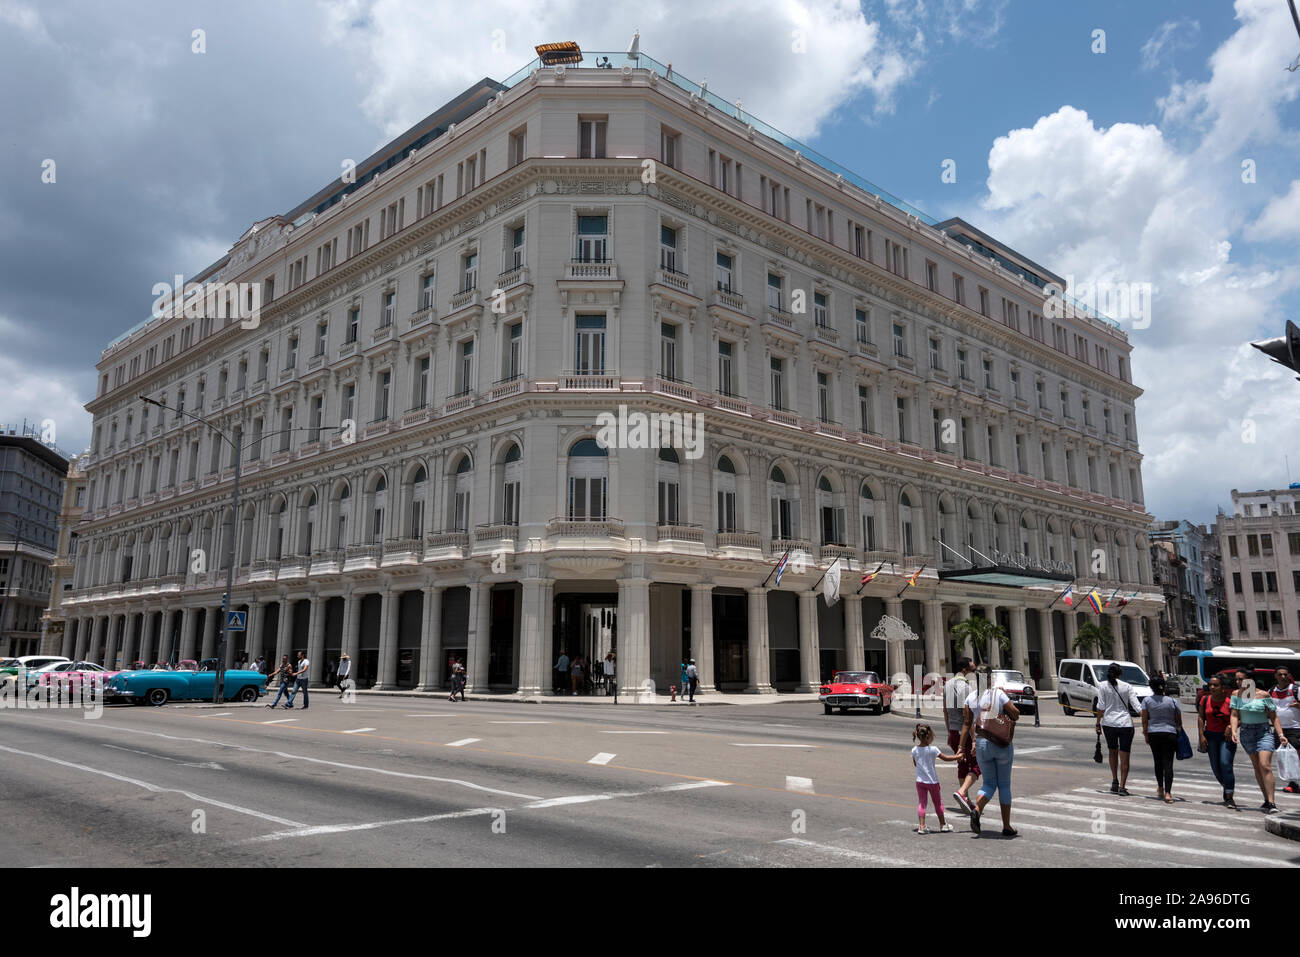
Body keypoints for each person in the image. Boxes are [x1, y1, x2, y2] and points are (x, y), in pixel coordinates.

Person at [960, 671, 1020, 836]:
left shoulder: (970, 698)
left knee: (988, 783)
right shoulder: (998, 693)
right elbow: (1015, 713)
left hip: (981, 744)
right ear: (988, 679)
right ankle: (1007, 826)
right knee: (1004, 785)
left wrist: (962, 746)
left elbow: (966, 723)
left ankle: (977, 810)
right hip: (1000, 744)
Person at [1230, 668, 1285, 813]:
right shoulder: (1236, 695)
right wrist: (1234, 731)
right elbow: (1234, 715)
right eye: (1236, 679)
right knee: (1257, 767)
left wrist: (1280, 734)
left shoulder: (1263, 694)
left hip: (1264, 731)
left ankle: (1272, 803)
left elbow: (1274, 717)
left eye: (1241, 679)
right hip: (1247, 732)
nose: (1238, 682)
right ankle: (1266, 800)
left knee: (1265, 765)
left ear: (1250, 680)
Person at [1094, 662, 1141, 796]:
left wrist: (1098, 723)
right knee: (1124, 756)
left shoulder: (1102, 686)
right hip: (1125, 724)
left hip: (1109, 723)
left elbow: (1101, 707)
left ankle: (1114, 780)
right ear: (1120, 674)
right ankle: (1122, 786)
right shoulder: (1127, 687)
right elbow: (1137, 707)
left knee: (1112, 752)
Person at [944, 657, 980, 814]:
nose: (974, 665)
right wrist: (974, 739)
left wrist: (948, 732)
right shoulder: (966, 688)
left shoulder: (947, 684)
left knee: (962, 764)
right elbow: (968, 718)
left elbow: (945, 711)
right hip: (963, 733)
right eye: (971, 664)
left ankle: (965, 799)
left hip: (953, 731)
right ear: (965, 670)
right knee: (978, 765)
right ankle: (962, 793)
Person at [1139, 676, 1183, 803]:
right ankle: (1168, 793)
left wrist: (1146, 734)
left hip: (1154, 734)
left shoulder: (1147, 701)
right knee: (1168, 763)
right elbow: (1178, 721)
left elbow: (1144, 720)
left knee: (1157, 762)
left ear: (1151, 687)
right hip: (1170, 733)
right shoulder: (1173, 701)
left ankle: (1160, 787)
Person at [1197, 674, 1237, 808]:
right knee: (1215, 767)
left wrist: (1231, 727)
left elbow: (1239, 718)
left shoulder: (1230, 701)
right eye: (1211, 685)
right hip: (1211, 736)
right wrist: (1201, 735)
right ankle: (1227, 787)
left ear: (1223, 687)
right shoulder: (1205, 699)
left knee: (1225, 763)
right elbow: (1201, 717)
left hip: (1226, 737)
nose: (1212, 687)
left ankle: (1230, 797)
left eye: (1216, 685)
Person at [912, 723, 960, 833]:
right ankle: (943, 824)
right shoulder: (933, 749)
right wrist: (958, 756)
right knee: (938, 803)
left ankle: (921, 826)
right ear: (928, 737)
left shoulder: (914, 750)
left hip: (920, 781)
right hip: (932, 781)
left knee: (922, 803)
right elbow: (946, 758)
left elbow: (915, 764)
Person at [1269, 666, 1300, 793]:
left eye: (1285, 675)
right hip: (1279, 730)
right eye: (1280, 675)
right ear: (1275, 676)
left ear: (1289, 676)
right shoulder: (1271, 691)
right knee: (1285, 757)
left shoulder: (1296, 689)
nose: (1283, 677)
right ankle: (1293, 783)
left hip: (1296, 729)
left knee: (1297, 756)